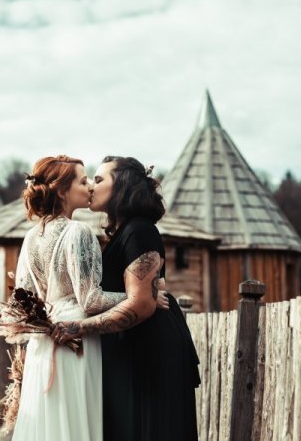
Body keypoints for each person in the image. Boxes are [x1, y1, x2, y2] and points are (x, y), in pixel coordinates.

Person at [9, 155, 168, 441]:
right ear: (62, 191)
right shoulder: (79, 231)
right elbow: (91, 301)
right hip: (76, 342)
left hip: (42, 344)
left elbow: (22, 302)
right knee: (79, 423)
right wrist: (146, 298)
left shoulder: (30, 237)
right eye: (83, 182)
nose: (90, 187)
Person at [53, 156, 200, 441]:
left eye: (99, 179)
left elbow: (142, 304)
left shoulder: (139, 231)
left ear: (122, 187)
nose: (91, 187)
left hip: (149, 350)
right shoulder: (123, 232)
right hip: (130, 347)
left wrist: (79, 328)